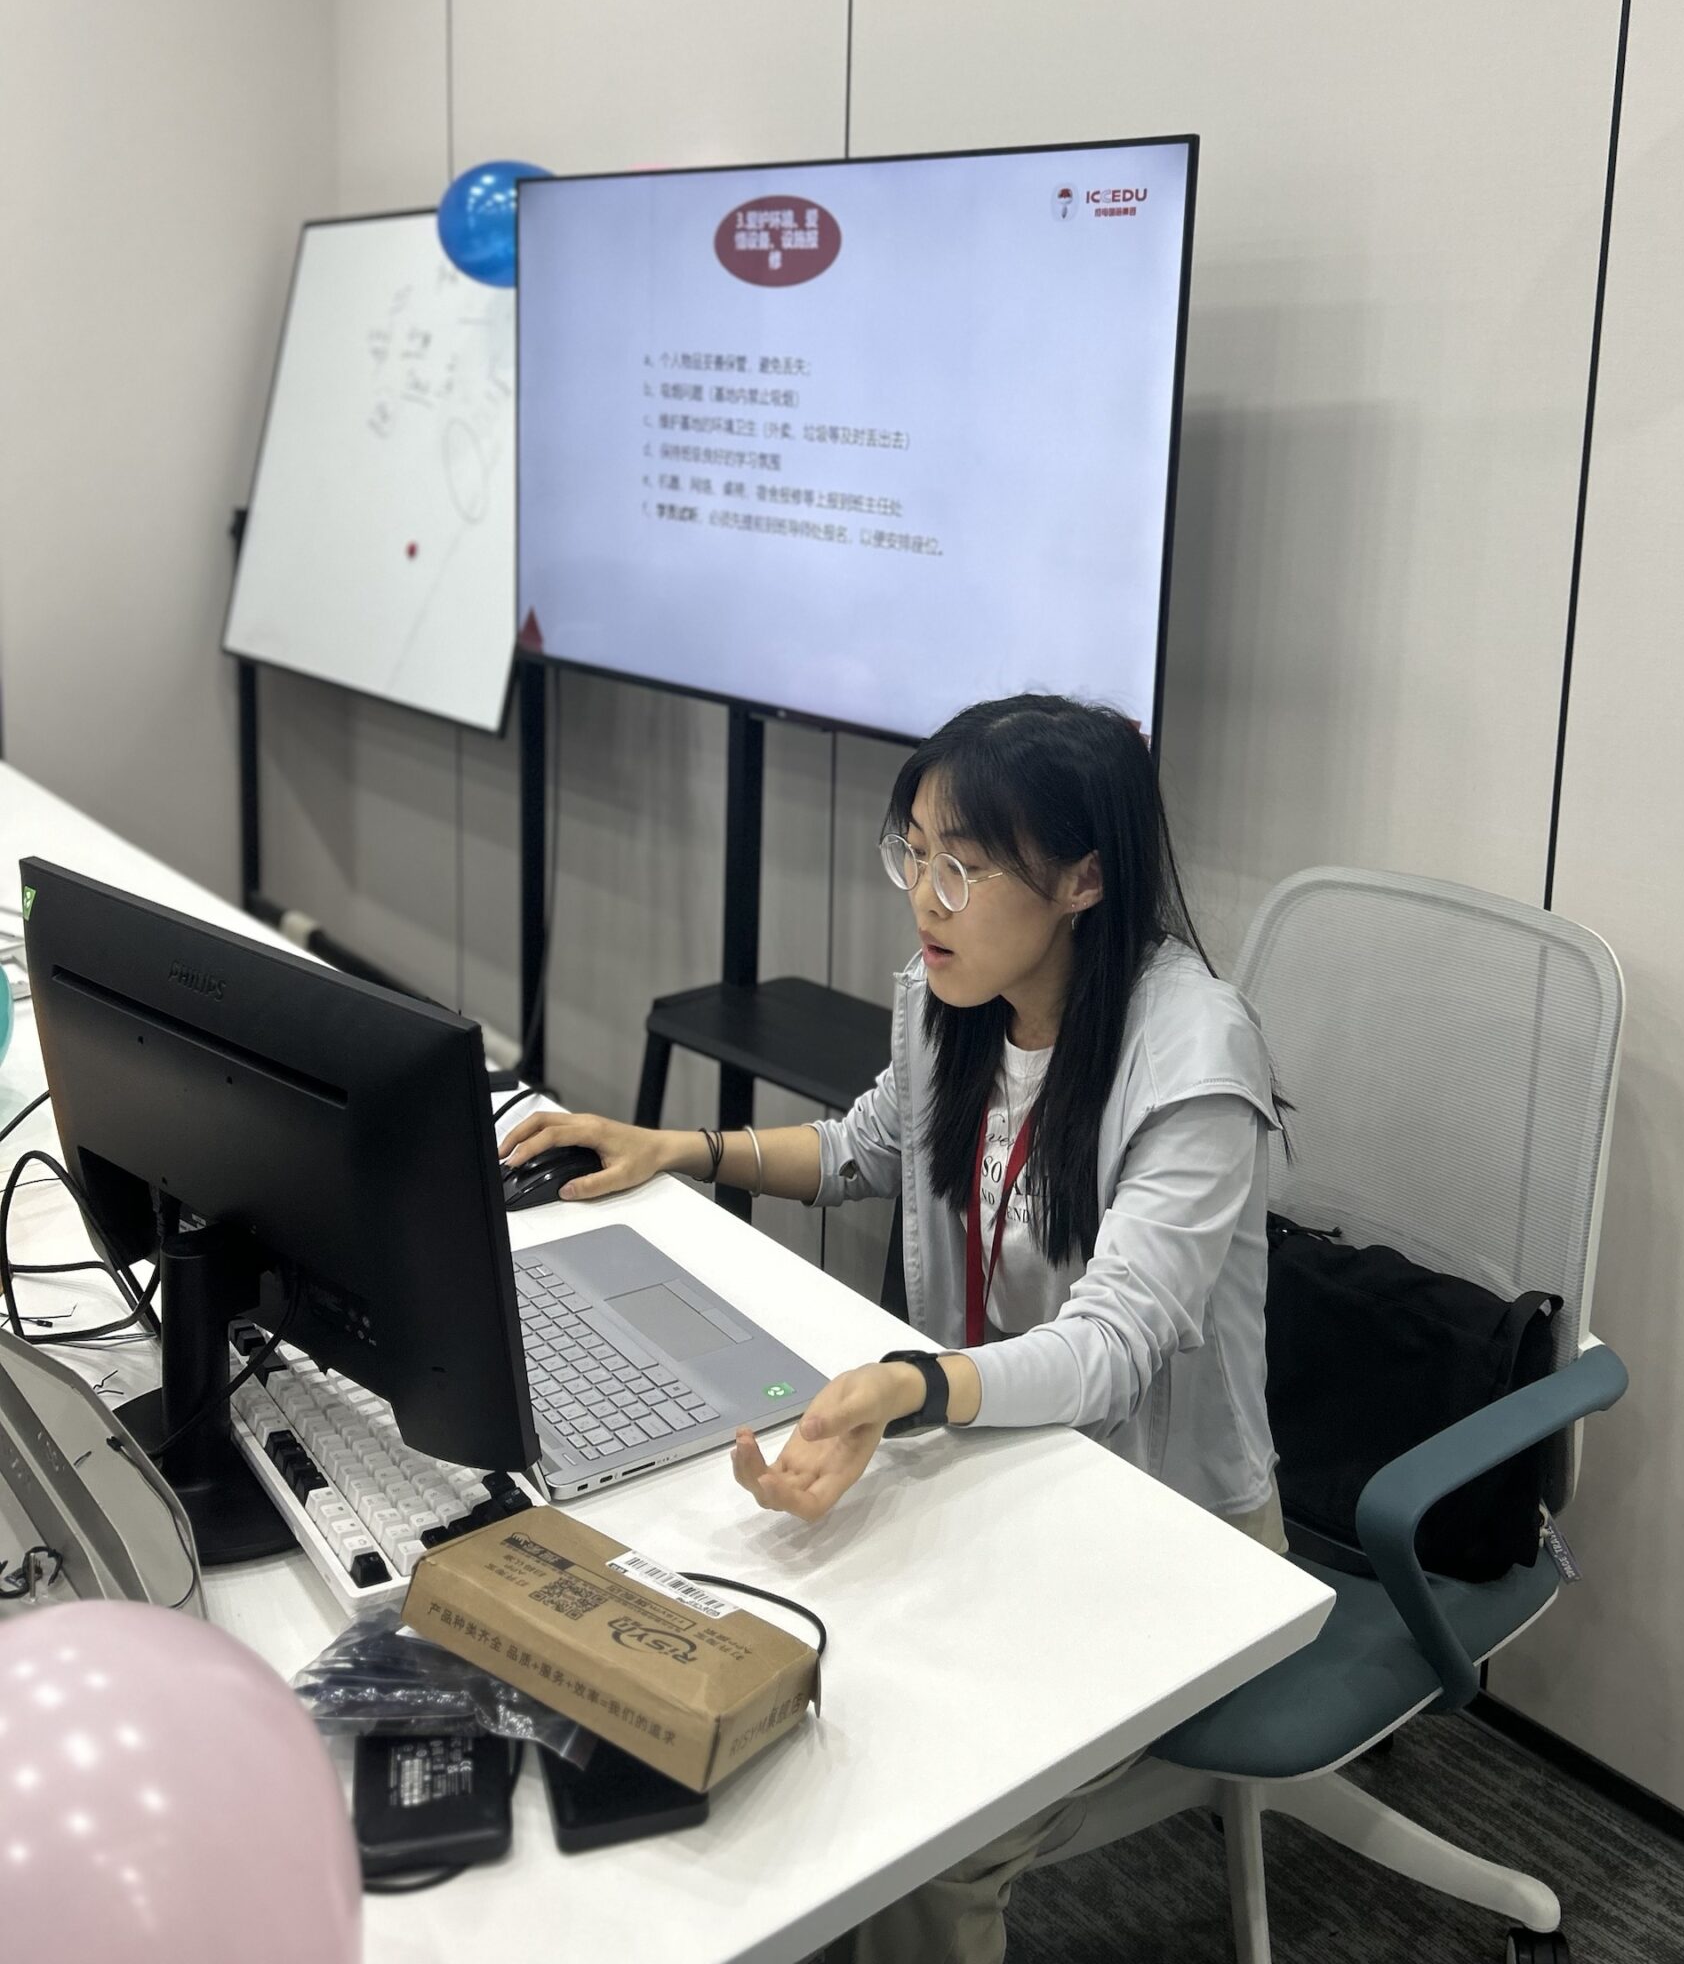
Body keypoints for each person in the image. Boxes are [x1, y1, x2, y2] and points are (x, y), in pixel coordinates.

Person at [501, 693, 1287, 1961]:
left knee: (929, 1839)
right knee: (739, 1647)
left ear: (1085, 878)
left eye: (963, 866)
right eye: (912, 852)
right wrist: (679, 1147)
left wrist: (912, 1385)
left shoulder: (1193, 1059)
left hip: (1161, 1526)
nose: (924, 894)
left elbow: (1113, 1347)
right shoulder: (952, 997)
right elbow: (867, 1148)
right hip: (984, 1459)